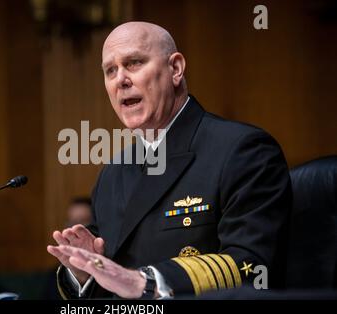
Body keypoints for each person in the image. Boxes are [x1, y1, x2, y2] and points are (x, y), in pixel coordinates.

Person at [47, 21, 291, 299]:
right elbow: (112, 287)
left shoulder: (243, 150)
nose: (120, 80)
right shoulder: (112, 174)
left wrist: (149, 282)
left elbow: (253, 266)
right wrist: (84, 271)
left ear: (175, 69)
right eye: (110, 71)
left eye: (134, 63)